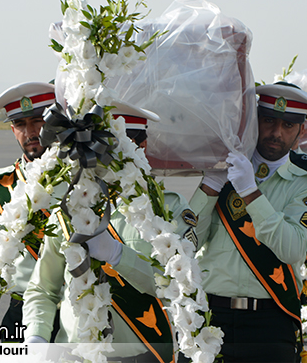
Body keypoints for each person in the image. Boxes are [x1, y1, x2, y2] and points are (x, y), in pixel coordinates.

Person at [22, 100, 198, 362]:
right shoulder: (71, 207)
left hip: (142, 355)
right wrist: (36, 338)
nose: (105, 156)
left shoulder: (168, 209)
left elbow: (179, 287)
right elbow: (43, 289)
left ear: (140, 146)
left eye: (115, 147)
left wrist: (118, 256)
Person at [190, 81, 307, 362]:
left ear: (301, 132)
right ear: (253, 121)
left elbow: (291, 249)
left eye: (288, 125)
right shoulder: (222, 167)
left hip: (271, 320)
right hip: (214, 315)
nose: (277, 133)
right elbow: (188, 242)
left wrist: (251, 192)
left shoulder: (306, 183)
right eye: (268, 121)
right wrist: (210, 187)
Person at [0, 81, 57, 342]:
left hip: (73, 308)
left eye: (38, 121)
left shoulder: (82, 176)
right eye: (20, 125)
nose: (30, 132)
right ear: (13, 129)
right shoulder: (1, 184)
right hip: (21, 309)